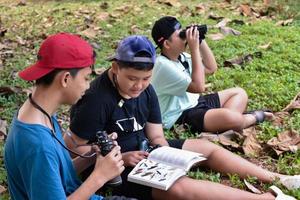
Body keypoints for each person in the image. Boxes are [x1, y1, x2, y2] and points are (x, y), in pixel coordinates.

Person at [65, 35, 298, 200]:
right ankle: (266, 199)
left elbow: (156, 133)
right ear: (115, 68)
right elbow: (72, 155)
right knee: (179, 189)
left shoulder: (146, 90)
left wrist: (165, 155)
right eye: (132, 78)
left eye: (146, 78)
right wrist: (121, 158)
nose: (139, 86)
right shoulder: (95, 100)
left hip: (144, 151)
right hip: (112, 169)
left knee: (205, 148)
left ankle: (278, 178)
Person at [4, 33, 126, 200]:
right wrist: (100, 176)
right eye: (85, 78)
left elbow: (56, 174)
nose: (88, 85)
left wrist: (91, 156)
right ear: (66, 79)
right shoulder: (39, 144)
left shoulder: (37, 112)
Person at [150, 16, 274, 134]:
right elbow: (199, 87)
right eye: (181, 35)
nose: (186, 37)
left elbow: (211, 68)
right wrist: (194, 50)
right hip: (180, 115)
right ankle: (252, 117)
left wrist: (200, 40)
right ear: (167, 44)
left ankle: (227, 122)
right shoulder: (162, 65)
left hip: (197, 102)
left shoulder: (182, 57)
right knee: (230, 117)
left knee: (239, 93)